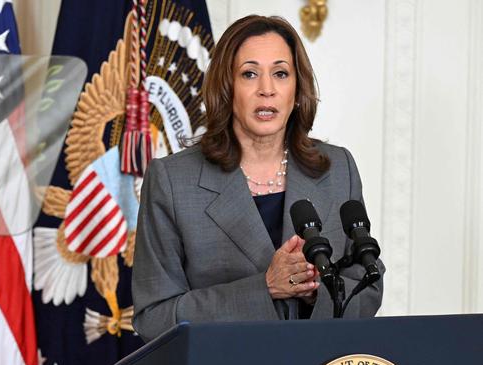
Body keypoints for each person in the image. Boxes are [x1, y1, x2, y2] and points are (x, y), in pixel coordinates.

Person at [132, 15, 384, 342]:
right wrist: (264, 288)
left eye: (280, 74)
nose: (267, 90)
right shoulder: (172, 181)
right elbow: (154, 318)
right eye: (249, 74)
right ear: (227, 87)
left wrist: (315, 293)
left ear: (297, 90)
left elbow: (368, 285)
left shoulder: (337, 167)